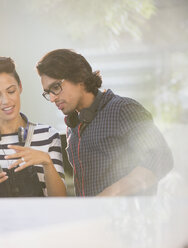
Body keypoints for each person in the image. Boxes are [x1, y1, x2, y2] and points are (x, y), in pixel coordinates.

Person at [35, 48, 173, 197]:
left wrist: (107, 197)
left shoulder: (123, 109)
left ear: (79, 78)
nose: (53, 98)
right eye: (47, 92)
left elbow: (161, 158)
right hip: (93, 218)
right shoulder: (73, 127)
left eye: (56, 87)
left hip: (129, 218)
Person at [0, 57, 66, 236]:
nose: (6, 101)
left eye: (11, 91)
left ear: (20, 87)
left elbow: (59, 202)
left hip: (37, 237)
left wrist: (47, 162)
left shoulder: (47, 135)